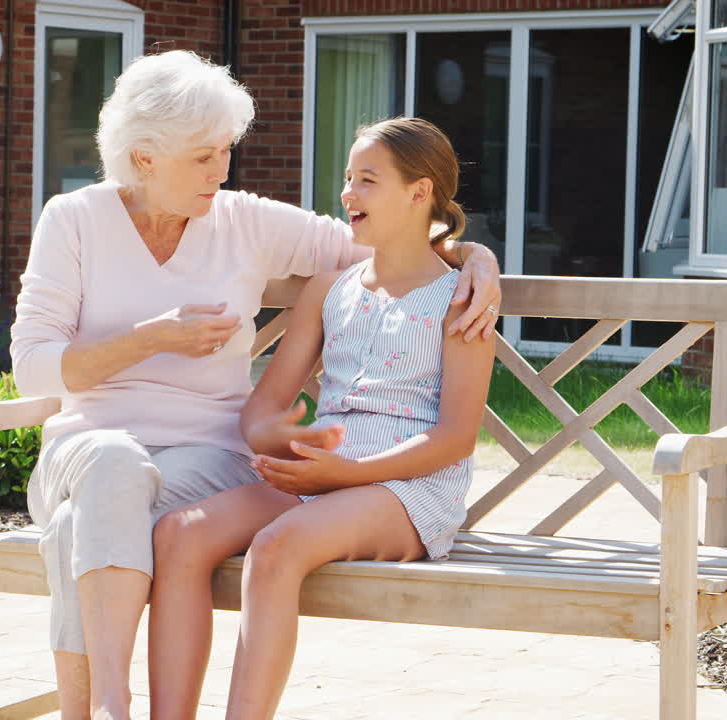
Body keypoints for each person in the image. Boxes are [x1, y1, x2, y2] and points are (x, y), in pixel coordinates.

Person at [9, 51, 501, 720]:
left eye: (224, 151)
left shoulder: (242, 219)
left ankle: (97, 713)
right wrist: (152, 338)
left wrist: (477, 257)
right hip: (93, 451)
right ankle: (114, 706)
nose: (222, 170)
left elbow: (395, 239)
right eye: (203, 156)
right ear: (146, 157)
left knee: (84, 528)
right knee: (110, 475)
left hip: (214, 465)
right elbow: (33, 366)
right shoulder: (73, 220)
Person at [148, 116, 496, 719]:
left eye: (367, 180)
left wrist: (343, 473)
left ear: (419, 193)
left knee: (276, 547)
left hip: (406, 488)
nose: (348, 194)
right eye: (347, 179)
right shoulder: (329, 289)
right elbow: (263, 411)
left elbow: (455, 439)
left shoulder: (462, 298)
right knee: (179, 533)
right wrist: (277, 440)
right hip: (322, 478)